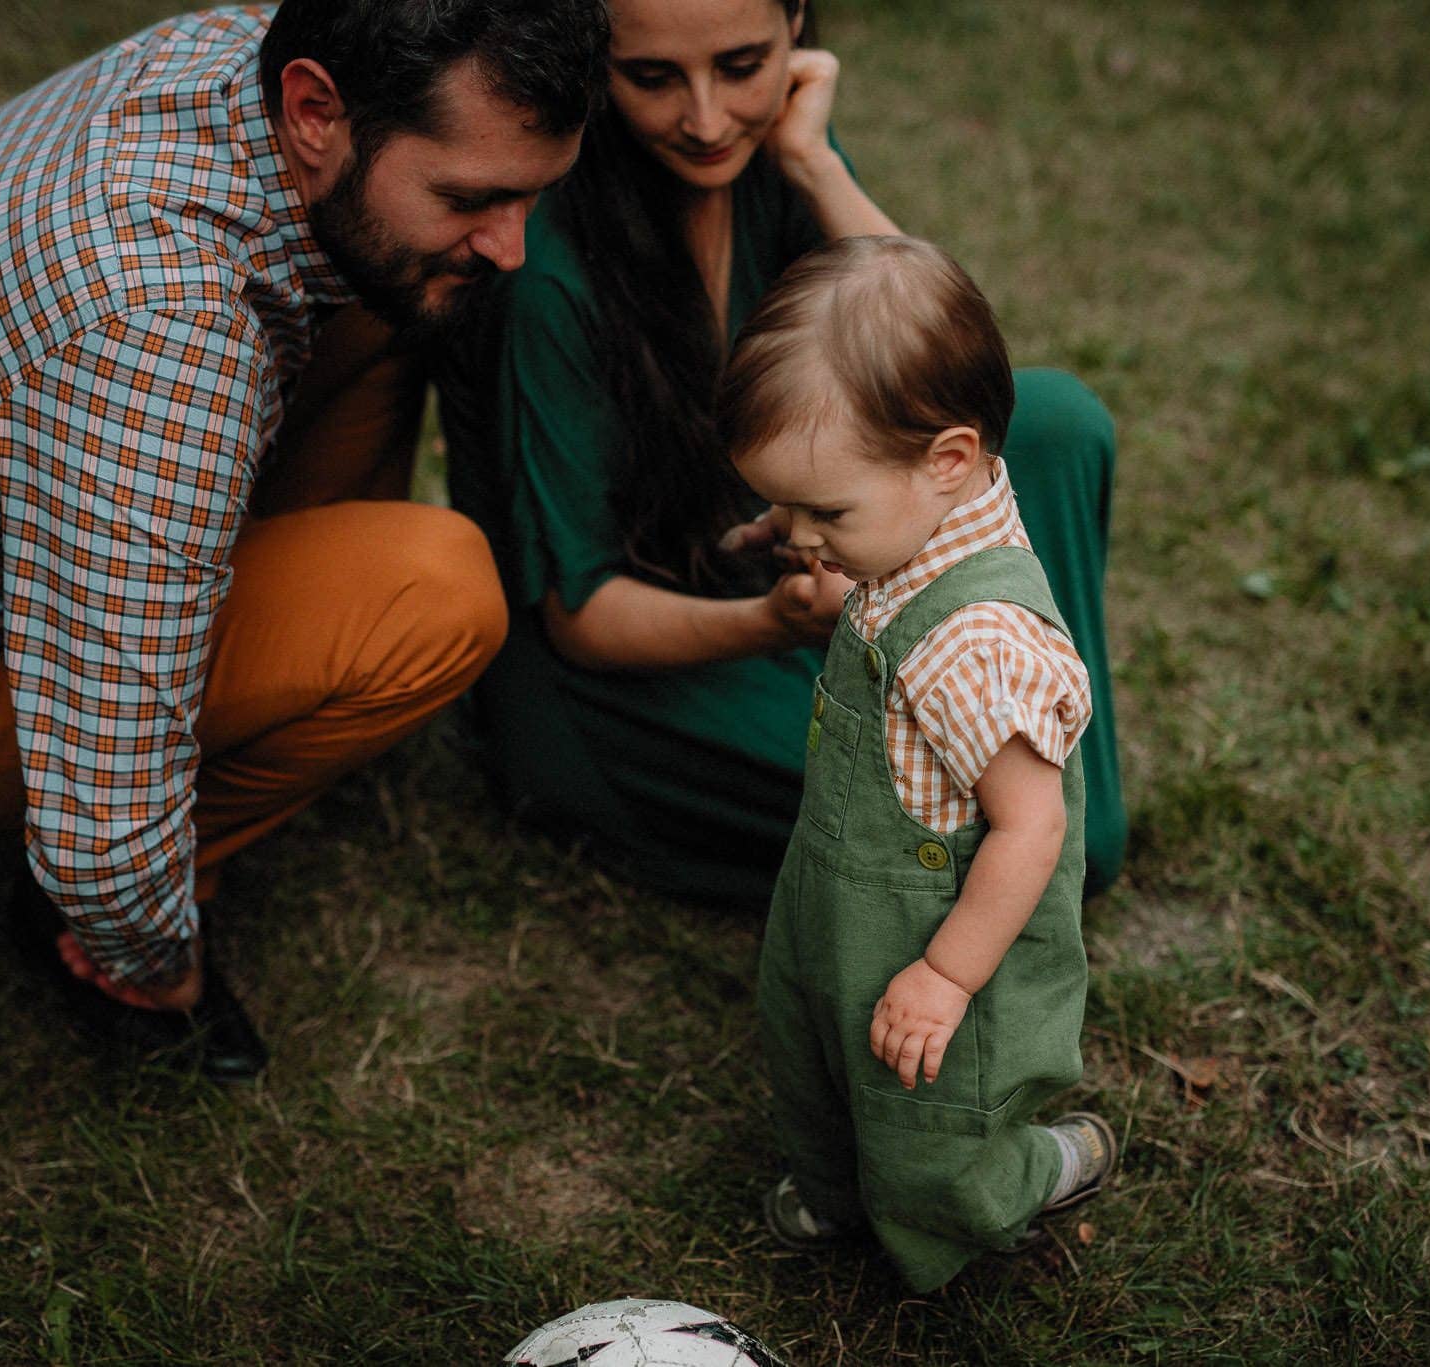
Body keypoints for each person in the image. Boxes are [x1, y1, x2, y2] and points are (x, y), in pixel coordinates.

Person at [0, 0, 609, 1079]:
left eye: (532, 192)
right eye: (470, 196)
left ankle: (272, 590)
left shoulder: (264, 50)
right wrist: (151, 955)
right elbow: (104, 797)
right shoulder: (160, 333)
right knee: (435, 593)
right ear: (313, 110)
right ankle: (103, 915)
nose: (513, 243)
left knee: (409, 289)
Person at [416, 0, 1128, 906]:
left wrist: (816, 165)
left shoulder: (775, 164)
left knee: (1054, 424)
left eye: (744, 64)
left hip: (789, 567)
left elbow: (941, 360)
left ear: (797, 26)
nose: (707, 120)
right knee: (1025, 835)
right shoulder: (551, 265)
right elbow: (582, 618)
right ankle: (1037, 815)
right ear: (594, 62)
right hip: (640, 676)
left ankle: (1035, 735)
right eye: (652, 78)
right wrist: (778, 622)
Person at [722, 235, 1114, 1291]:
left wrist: (945, 975)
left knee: (932, 1120)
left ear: (947, 458)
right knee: (813, 1050)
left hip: (939, 931)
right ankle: (838, 1182)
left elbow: (1030, 826)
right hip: (839, 900)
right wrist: (839, 568)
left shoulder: (975, 639)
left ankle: (1025, 1172)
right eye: (785, 509)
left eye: (825, 512)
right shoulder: (905, 535)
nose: (801, 538)